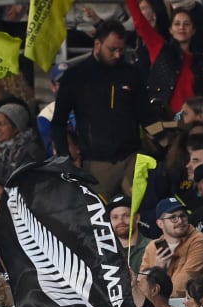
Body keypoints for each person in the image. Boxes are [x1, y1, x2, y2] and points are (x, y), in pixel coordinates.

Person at [51, 20, 152, 199]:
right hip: (95, 162)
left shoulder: (133, 74)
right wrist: (65, 159)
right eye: (112, 49)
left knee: (138, 210)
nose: (118, 54)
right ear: (97, 44)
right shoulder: (75, 77)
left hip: (132, 156)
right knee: (98, 217)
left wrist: (163, 143)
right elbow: (58, 122)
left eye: (121, 49)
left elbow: (146, 116)